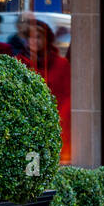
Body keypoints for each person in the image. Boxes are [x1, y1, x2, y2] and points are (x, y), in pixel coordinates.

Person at [17, 17, 71, 165]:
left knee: (54, 166)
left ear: (46, 40)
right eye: (30, 37)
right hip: (30, 126)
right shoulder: (20, 62)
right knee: (32, 169)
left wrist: (58, 119)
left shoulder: (61, 64)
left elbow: (68, 96)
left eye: (38, 37)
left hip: (56, 126)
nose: (33, 41)